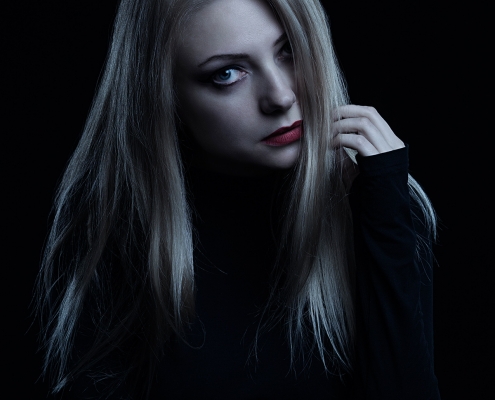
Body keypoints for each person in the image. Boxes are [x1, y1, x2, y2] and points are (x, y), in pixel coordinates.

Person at [36, 0, 440, 398]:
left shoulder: (378, 204)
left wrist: (386, 216)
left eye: (288, 50)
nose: (280, 96)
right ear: (164, 95)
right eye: (227, 73)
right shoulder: (112, 234)